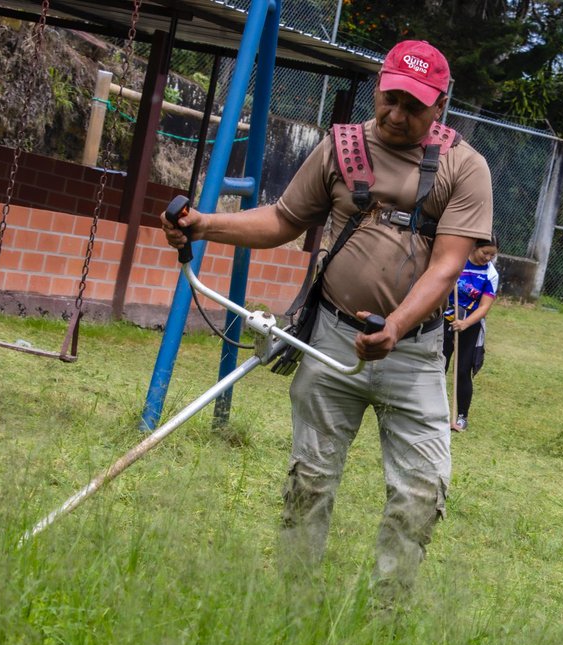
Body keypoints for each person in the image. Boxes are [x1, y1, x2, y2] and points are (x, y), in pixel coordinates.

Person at [160, 40, 494, 602]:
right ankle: (293, 602)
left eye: (414, 105)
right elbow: (283, 219)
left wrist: (394, 326)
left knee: (420, 493)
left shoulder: (465, 168)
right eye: (390, 98)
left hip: (413, 355)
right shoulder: (340, 149)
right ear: (378, 88)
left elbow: (446, 268)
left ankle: (384, 615)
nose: (397, 114)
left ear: (439, 106)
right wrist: (203, 225)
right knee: (309, 482)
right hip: (331, 341)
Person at [442, 237, 499, 431]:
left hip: (469, 324)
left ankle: (461, 417)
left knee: (463, 370)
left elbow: (485, 306)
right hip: (444, 319)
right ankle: (434, 411)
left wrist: (465, 323)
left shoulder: (491, 274)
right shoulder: (457, 261)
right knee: (437, 364)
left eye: (493, 254)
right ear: (475, 247)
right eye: (486, 253)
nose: (489, 258)